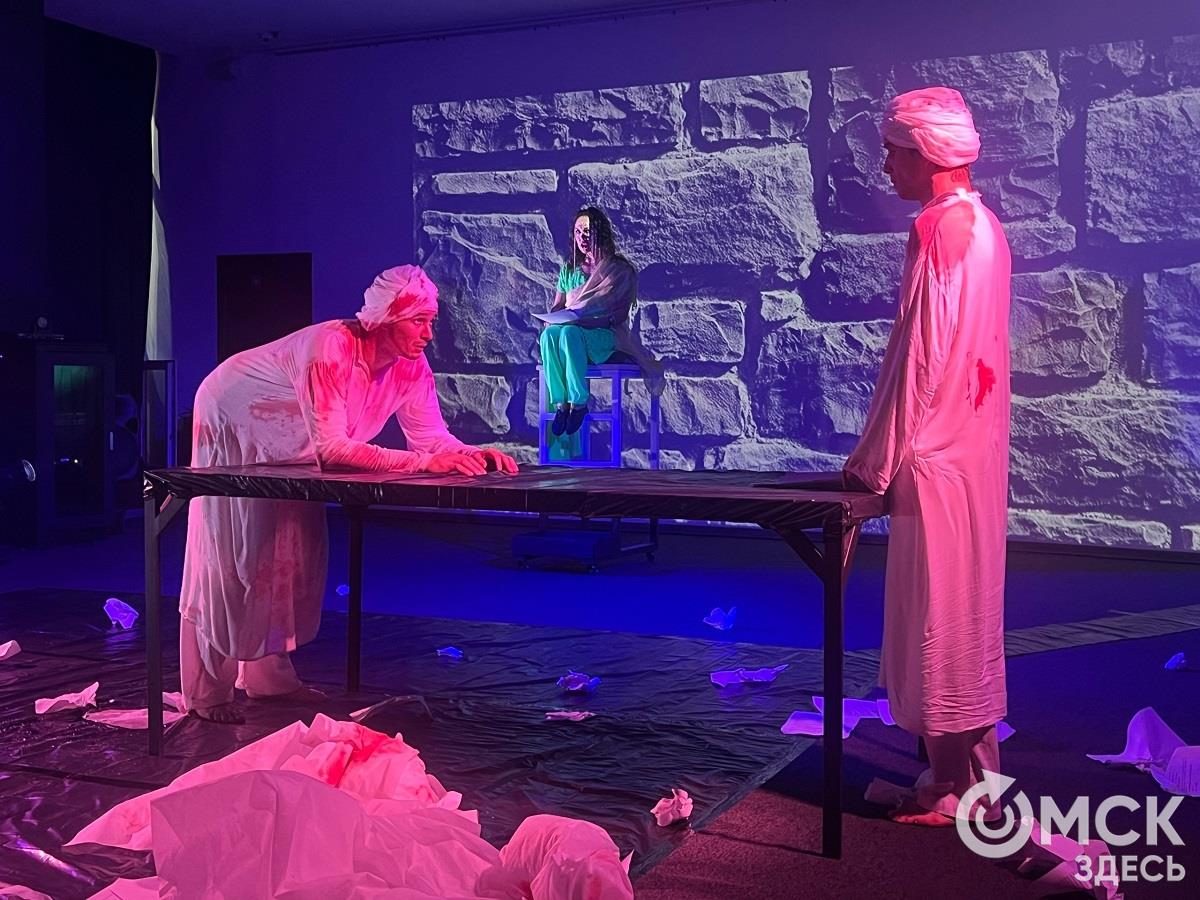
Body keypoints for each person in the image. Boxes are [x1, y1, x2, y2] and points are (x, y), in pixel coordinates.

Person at [179, 265, 519, 723]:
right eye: (418, 321)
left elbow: (430, 437)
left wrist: (473, 453)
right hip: (236, 412)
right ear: (387, 319)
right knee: (231, 547)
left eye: (431, 321)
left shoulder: (410, 365)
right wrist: (421, 463)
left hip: (296, 437)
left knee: (290, 550)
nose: (428, 333)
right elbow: (334, 451)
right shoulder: (332, 349)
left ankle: (266, 677)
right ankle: (207, 693)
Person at [843, 87, 1012, 826]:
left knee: (940, 616)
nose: (886, 165)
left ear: (927, 152)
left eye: (893, 151)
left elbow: (918, 355)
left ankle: (948, 790)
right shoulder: (987, 224)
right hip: (972, 451)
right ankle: (969, 780)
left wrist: (874, 461)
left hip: (936, 453)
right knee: (967, 610)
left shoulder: (938, 226)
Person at [539, 207, 662, 458]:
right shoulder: (570, 269)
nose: (582, 238)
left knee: (569, 334)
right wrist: (553, 318)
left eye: (587, 232)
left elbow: (618, 315)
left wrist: (584, 320)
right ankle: (561, 404)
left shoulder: (618, 270)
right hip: (572, 331)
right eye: (577, 232)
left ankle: (579, 403)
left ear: (600, 233)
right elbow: (558, 305)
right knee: (550, 335)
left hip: (604, 335)